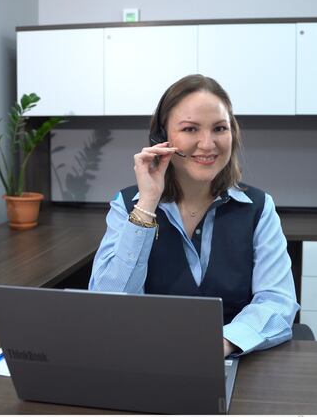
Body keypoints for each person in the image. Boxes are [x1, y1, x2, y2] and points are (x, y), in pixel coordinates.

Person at [89, 74, 299, 357]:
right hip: (147, 357)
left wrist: (220, 344)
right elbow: (108, 308)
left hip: (230, 359)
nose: (207, 144)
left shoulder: (258, 208)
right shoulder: (127, 205)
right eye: (190, 129)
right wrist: (148, 202)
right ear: (162, 138)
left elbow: (277, 301)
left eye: (219, 128)